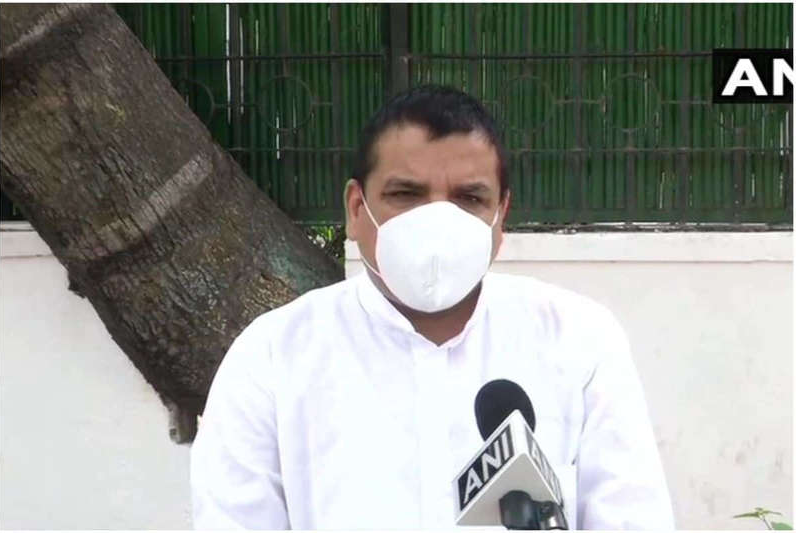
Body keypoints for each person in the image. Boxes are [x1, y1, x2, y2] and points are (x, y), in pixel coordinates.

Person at [190, 85, 675, 529]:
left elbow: (633, 520)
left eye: (469, 198)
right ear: (356, 210)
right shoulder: (272, 359)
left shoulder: (578, 342)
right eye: (406, 195)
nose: (438, 220)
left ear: (500, 218)